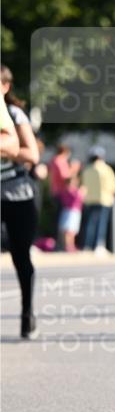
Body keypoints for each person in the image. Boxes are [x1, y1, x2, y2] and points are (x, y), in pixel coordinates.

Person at [0, 66, 40, 338]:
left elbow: (32, 155)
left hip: (17, 194)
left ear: (5, 86)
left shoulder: (14, 115)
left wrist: (5, 148)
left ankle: (27, 314)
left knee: (20, 256)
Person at [80, 146, 115, 253]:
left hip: (89, 199)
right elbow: (113, 186)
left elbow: (83, 184)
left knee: (90, 224)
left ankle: (87, 245)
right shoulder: (106, 169)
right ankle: (99, 245)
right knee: (101, 223)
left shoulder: (87, 170)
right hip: (104, 199)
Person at [58, 174, 85, 252]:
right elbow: (78, 198)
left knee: (72, 231)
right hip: (71, 212)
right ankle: (68, 246)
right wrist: (81, 192)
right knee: (69, 231)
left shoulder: (67, 190)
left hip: (73, 212)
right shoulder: (71, 190)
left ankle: (71, 246)